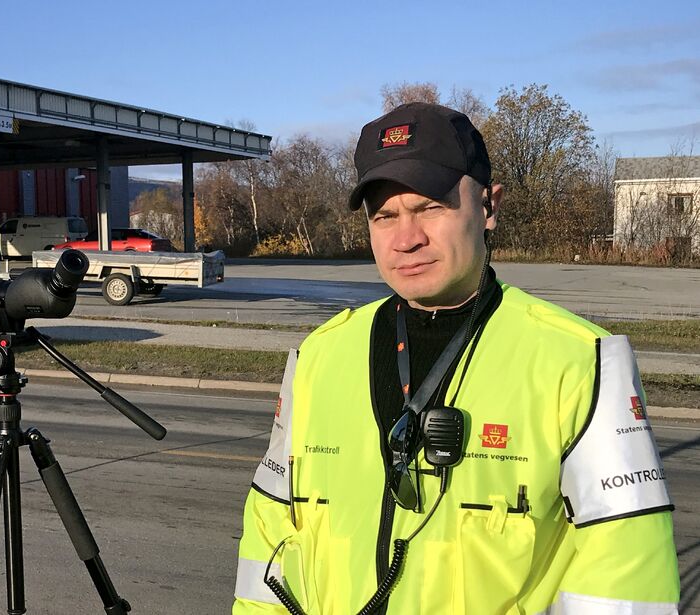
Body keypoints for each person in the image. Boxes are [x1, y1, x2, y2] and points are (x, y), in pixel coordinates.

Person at [233, 103, 679, 614]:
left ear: (489, 207)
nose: (406, 238)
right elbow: (267, 539)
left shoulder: (581, 362)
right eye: (385, 216)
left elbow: (625, 578)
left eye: (431, 207)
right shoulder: (318, 356)